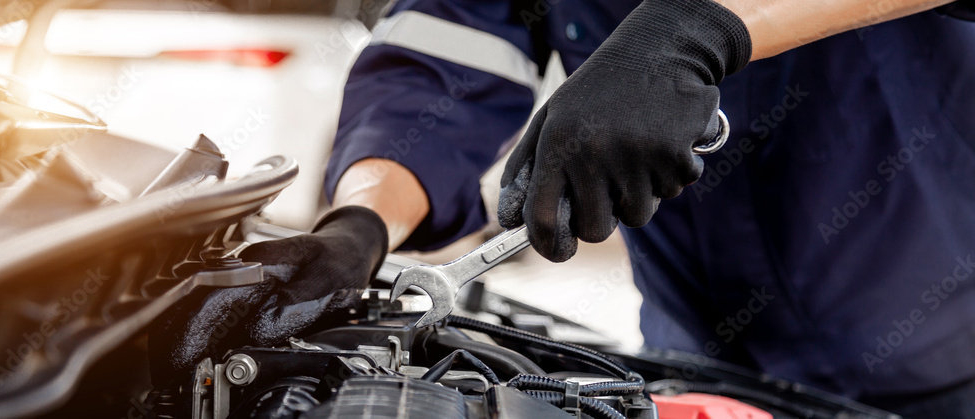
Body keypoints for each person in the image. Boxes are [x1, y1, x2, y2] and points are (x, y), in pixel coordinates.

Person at [158, 0, 975, 416]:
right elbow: (447, 49)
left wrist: (699, 28)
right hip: (700, 355)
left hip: (942, 348)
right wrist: (361, 224)